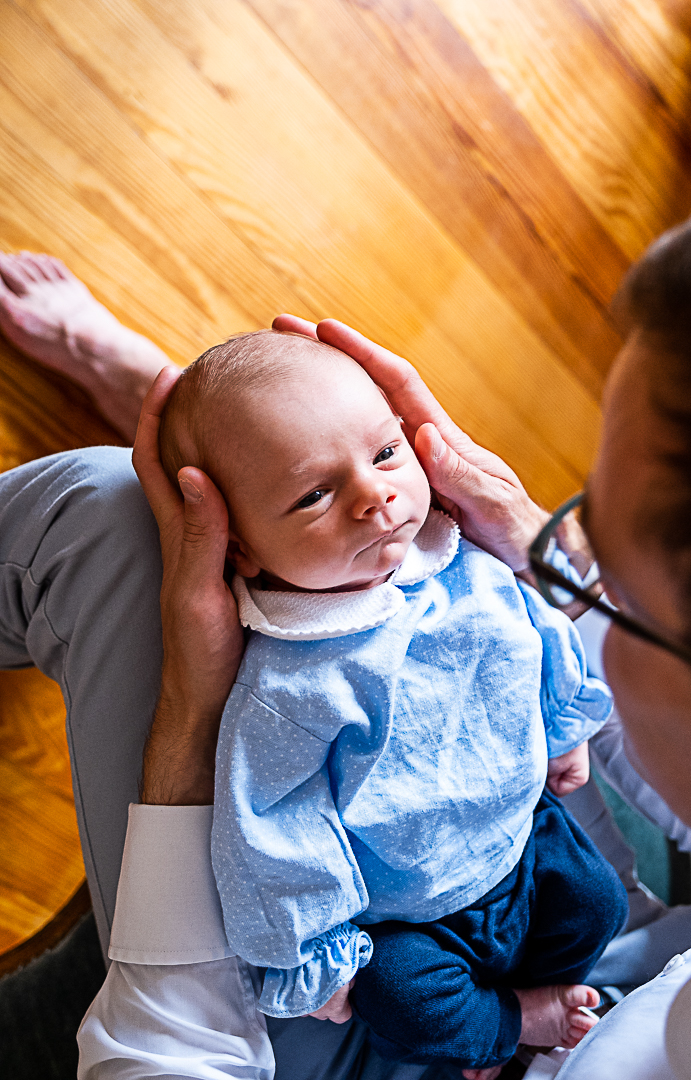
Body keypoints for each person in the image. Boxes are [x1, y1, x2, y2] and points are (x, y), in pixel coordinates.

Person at [0, 201, 691, 1078]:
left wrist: (192, 717)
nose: (565, 571)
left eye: (608, 577)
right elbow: (282, 827)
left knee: (96, 512)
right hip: (555, 918)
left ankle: (236, 491)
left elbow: (173, 1045)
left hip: (424, 964)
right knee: (122, 502)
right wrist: (537, 563)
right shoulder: (304, 682)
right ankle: (230, 458)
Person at [156, 330, 622, 1075]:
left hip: (524, 834)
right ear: (240, 550)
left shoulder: (458, 566)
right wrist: (317, 948)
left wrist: (563, 723)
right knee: (404, 1001)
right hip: (412, 916)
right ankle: (509, 1023)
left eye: (385, 455)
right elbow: (272, 822)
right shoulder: (288, 683)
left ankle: (526, 998)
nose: (375, 496)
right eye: (314, 494)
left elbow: (530, 632)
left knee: (598, 902)